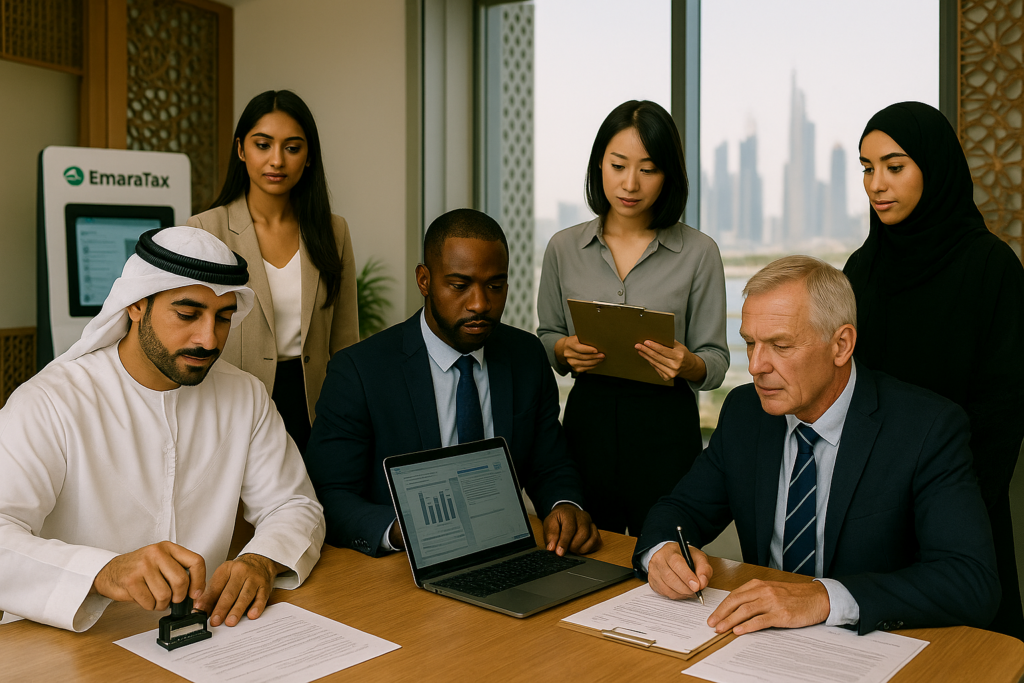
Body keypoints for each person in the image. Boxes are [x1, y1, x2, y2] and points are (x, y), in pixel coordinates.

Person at [634, 255, 999, 635]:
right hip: (759, 647)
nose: (757, 365)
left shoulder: (926, 428)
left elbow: (970, 581)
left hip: (871, 648)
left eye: (780, 345)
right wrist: (661, 553)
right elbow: (680, 509)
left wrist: (822, 598)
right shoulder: (746, 412)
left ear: (841, 344)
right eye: (750, 343)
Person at [0, 227, 325, 632]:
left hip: (206, 632)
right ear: (136, 306)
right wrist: (104, 572)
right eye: (187, 315)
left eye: (223, 318)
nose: (208, 339)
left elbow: (293, 505)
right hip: (75, 638)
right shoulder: (51, 401)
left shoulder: (244, 396)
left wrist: (260, 560)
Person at [305, 208, 601, 558]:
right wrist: (402, 531)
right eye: (459, 286)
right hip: (402, 568)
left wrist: (564, 504)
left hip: (506, 551)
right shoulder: (359, 372)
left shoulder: (525, 356)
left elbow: (550, 464)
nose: (480, 304)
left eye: (495, 286)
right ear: (424, 280)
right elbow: (330, 495)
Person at [845, 101, 1024, 639]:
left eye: (894, 167)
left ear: (935, 166)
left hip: (957, 504)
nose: (877, 184)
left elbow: (1004, 407)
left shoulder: (991, 267)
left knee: (964, 655)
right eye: (867, 168)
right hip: (870, 508)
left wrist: (950, 504)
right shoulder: (862, 267)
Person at [537, 100, 728, 535]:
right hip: (588, 424)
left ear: (669, 175)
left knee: (663, 554)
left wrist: (689, 363)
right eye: (618, 165)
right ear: (598, 165)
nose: (630, 183)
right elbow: (547, 333)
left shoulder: (700, 252)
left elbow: (715, 359)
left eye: (648, 168)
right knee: (587, 551)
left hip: (666, 428)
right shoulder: (563, 248)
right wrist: (563, 350)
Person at [187, 89, 359, 453]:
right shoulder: (205, 230)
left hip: (317, 407)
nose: (276, 160)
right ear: (240, 150)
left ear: (308, 156)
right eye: (263, 145)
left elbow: (345, 341)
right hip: (232, 402)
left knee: (314, 507)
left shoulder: (334, 231)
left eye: (292, 148)